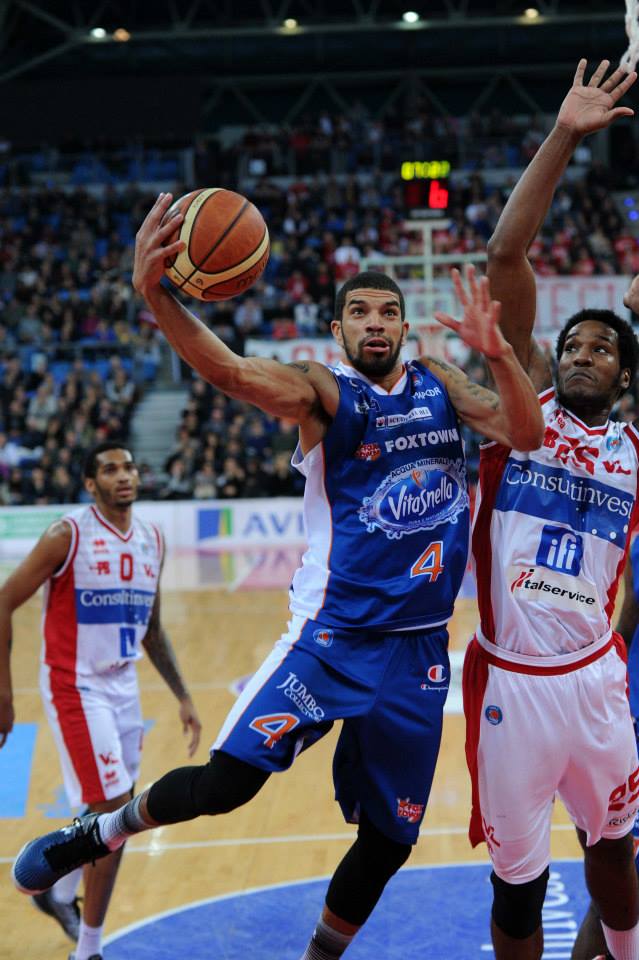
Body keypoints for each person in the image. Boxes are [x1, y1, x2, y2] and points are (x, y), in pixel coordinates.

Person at [11, 194, 544, 960]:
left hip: (420, 649)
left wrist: (497, 355)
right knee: (226, 788)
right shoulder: (323, 392)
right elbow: (230, 371)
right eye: (358, 312)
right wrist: (156, 296)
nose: (374, 323)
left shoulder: (439, 383)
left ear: (404, 328)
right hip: (332, 640)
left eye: (387, 313)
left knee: (390, 839)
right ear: (336, 330)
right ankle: (98, 832)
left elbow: (523, 432)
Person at [462, 59, 639, 960]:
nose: (581, 354)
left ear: (623, 373)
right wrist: (564, 135)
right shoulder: (521, 409)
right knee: (517, 886)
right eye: (572, 343)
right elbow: (505, 256)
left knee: (613, 850)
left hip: (598, 678)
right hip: (512, 685)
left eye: (602, 348)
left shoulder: (633, 451)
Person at [0, 440, 202, 960]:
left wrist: (183, 695)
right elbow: (4, 601)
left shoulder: (153, 538)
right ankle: (88, 950)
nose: (124, 475)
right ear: (91, 484)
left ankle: (58, 892)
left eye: (129, 466)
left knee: (105, 806)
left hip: (123, 686)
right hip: (75, 685)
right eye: (110, 469)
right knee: (116, 812)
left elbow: (152, 629)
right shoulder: (67, 535)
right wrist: (3, 692)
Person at [573, 526, 639, 959]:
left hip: (620, 711)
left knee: (616, 889)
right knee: (618, 891)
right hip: (629, 719)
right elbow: (629, 617)